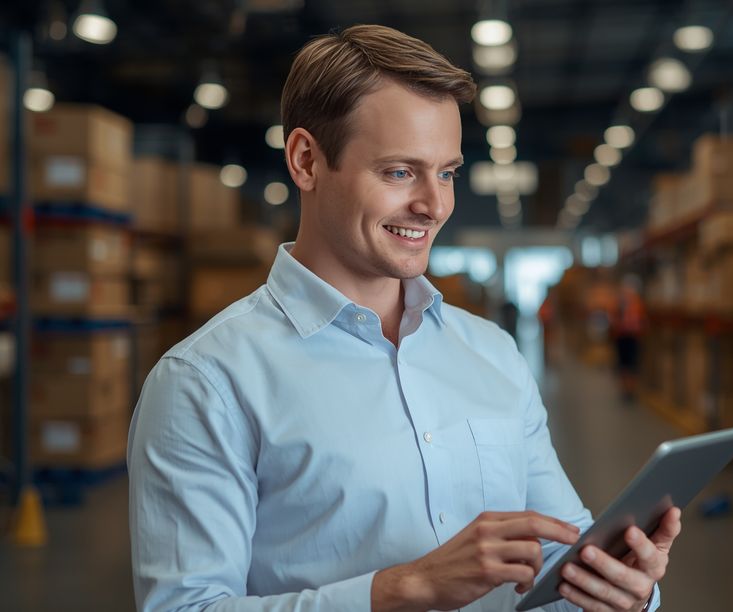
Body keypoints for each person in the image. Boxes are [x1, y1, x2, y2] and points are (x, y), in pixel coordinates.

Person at [127, 25, 681, 612]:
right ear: (306, 160)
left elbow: (556, 561)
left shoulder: (492, 354)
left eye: (446, 173)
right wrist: (399, 590)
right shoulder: (206, 382)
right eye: (399, 172)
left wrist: (622, 589)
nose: (435, 205)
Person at [611, 275, 645, 403]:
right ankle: (625, 390)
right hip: (621, 337)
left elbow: (642, 321)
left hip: (632, 338)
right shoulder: (619, 304)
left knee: (632, 364)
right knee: (623, 365)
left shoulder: (637, 304)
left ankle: (631, 390)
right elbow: (613, 318)